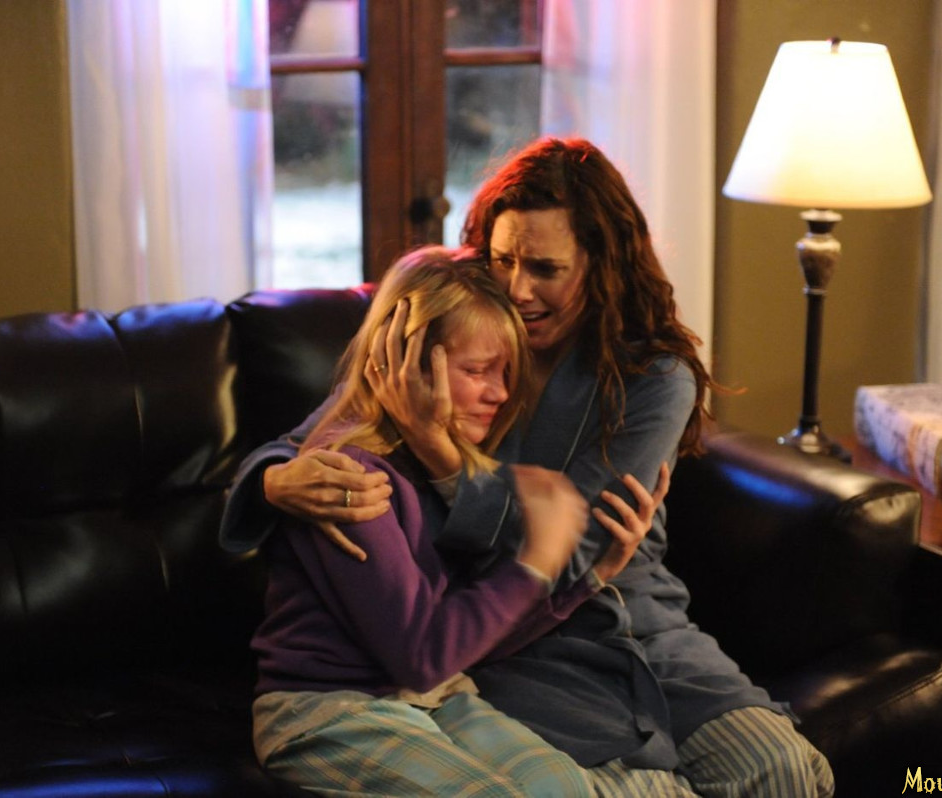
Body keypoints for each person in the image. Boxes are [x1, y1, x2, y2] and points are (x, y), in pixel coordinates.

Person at [225, 138, 833, 797]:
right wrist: (274, 481)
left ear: (603, 265)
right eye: (503, 260)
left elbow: (571, 549)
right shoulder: (454, 326)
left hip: (635, 625)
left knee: (782, 771)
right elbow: (336, 430)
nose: (517, 289)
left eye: (545, 269)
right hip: (508, 645)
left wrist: (439, 454)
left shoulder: (653, 377)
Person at [247, 245, 661, 797]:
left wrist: (591, 577)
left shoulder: (452, 472)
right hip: (326, 709)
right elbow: (421, 656)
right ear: (406, 361)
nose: (500, 393)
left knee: (568, 789)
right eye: (477, 371)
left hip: (439, 696)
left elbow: (467, 645)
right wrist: (534, 563)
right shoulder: (349, 479)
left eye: (505, 372)